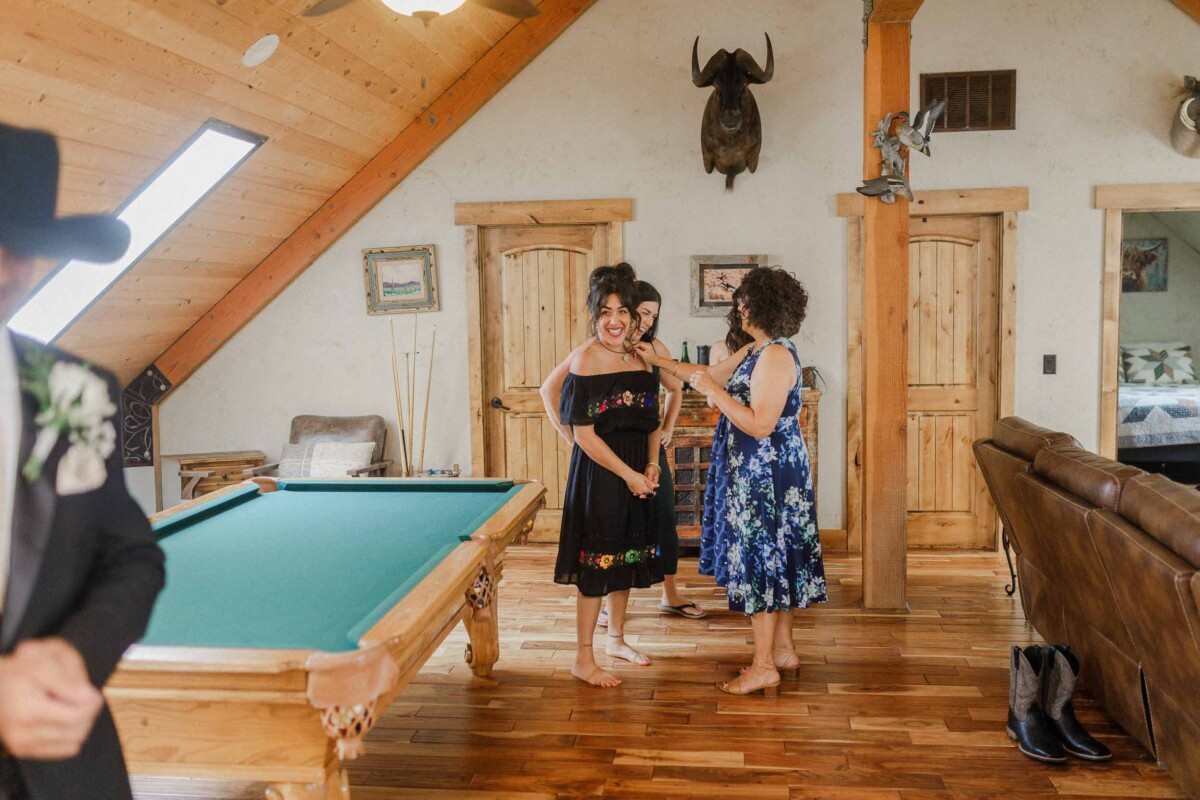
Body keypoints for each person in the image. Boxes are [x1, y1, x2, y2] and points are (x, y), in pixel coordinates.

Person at [0, 122, 166, 800]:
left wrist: (74, 653)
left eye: (25, 247)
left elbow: (130, 558)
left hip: (71, 776)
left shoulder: (81, 390)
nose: (10, 269)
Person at [636, 267, 826, 696]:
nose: (738, 309)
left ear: (760, 306)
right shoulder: (758, 349)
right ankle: (783, 650)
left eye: (743, 302)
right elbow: (703, 371)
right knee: (777, 558)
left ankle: (762, 667)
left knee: (763, 561)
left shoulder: (776, 355)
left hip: (768, 476)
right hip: (762, 472)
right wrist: (657, 361)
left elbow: (760, 425)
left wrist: (714, 395)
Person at [540, 281, 706, 624]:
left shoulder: (650, 350)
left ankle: (663, 596)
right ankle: (602, 609)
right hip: (605, 456)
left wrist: (666, 432)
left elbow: (672, 393)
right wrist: (573, 440)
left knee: (660, 521)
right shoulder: (589, 354)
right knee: (605, 534)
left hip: (644, 447)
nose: (644, 321)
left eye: (650, 316)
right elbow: (548, 390)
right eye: (641, 312)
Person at [554, 264, 663, 687]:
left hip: (638, 469)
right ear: (594, 316)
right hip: (601, 473)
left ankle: (615, 639)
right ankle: (583, 658)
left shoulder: (643, 358)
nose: (614, 320)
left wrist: (651, 466)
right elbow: (583, 434)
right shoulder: (585, 360)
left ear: (636, 316)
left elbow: (651, 421)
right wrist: (629, 475)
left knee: (626, 556)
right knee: (597, 565)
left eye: (622, 311)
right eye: (604, 312)